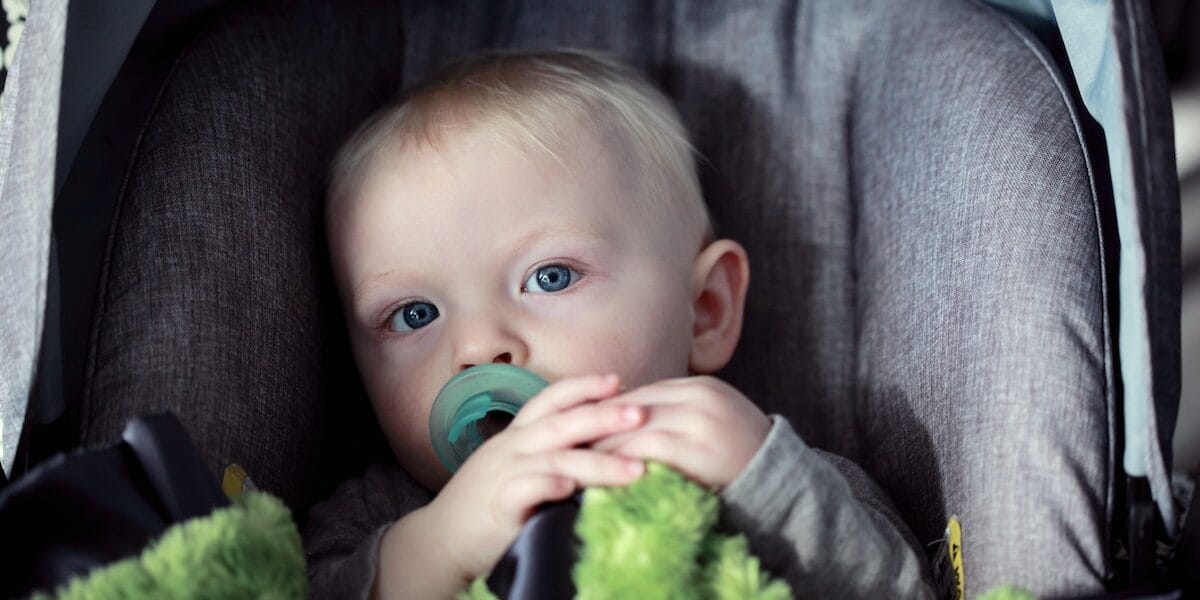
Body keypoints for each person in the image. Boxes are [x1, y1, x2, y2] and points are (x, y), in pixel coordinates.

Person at [306, 49, 936, 599]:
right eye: (415, 315)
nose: (477, 347)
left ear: (706, 309)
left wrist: (771, 489)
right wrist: (437, 548)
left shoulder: (755, 470)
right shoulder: (385, 516)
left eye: (550, 276)